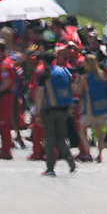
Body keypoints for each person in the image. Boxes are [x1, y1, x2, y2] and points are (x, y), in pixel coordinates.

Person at [36, 44, 76, 176]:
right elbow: (71, 88)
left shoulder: (45, 73)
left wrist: (37, 112)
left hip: (50, 110)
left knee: (49, 139)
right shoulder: (64, 71)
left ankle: (50, 167)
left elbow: (40, 94)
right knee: (60, 137)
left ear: (43, 61)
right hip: (64, 109)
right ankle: (69, 158)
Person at [73, 54, 107, 162]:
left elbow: (78, 91)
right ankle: (100, 154)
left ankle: (88, 153)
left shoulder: (86, 78)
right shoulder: (102, 75)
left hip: (89, 108)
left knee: (82, 130)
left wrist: (74, 83)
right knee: (99, 132)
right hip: (101, 106)